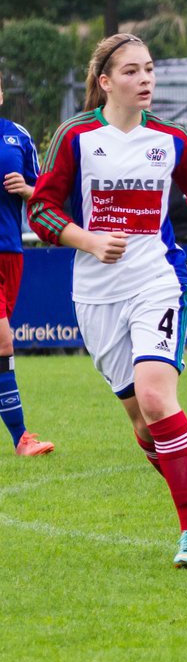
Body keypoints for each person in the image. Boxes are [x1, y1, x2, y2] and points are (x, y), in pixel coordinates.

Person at [28, 33, 187, 566]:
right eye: (131, 71)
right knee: (144, 425)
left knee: (154, 396)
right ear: (105, 81)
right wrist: (88, 239)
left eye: (149, 69)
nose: (144, 79)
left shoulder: (170, 138)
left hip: (157, 282)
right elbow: (42, 209)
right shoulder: (76, 136)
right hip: (96, 297)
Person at [0, 73, 54, 456]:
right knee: (3, 341)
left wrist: (26, 189)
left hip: (11, 252)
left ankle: (20, 438)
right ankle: (21, 439)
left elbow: (46, 194)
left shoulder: (18, 136)